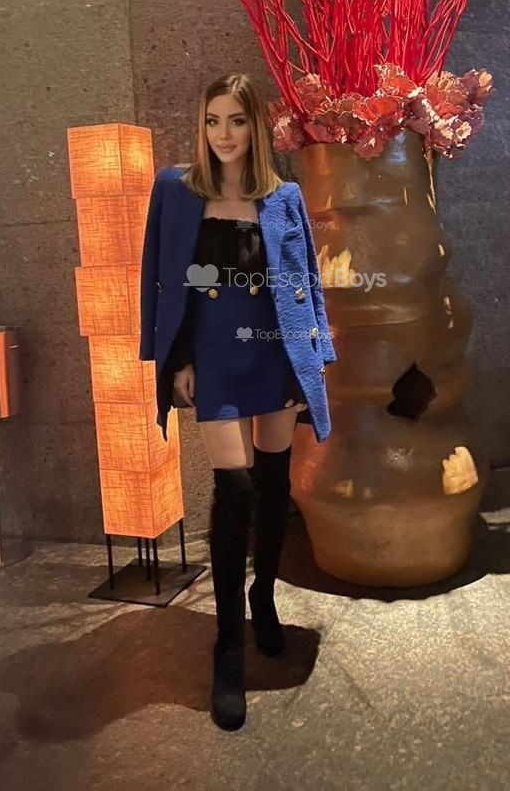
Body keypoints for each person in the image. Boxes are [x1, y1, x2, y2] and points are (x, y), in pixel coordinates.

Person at [139, 73, 336, 731]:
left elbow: (307, 280)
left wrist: (316, 356)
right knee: (237, 489)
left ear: (256, 127)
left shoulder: (283, 197)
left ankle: (264, 596)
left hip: (274, 352)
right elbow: (159, 277)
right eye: (213, 120)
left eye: (237, 121)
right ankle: (227, 646)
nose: (224, 134)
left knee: (276, 481)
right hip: (214, 361)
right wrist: (176, 360)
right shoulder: (175, 189)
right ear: (202, 126)